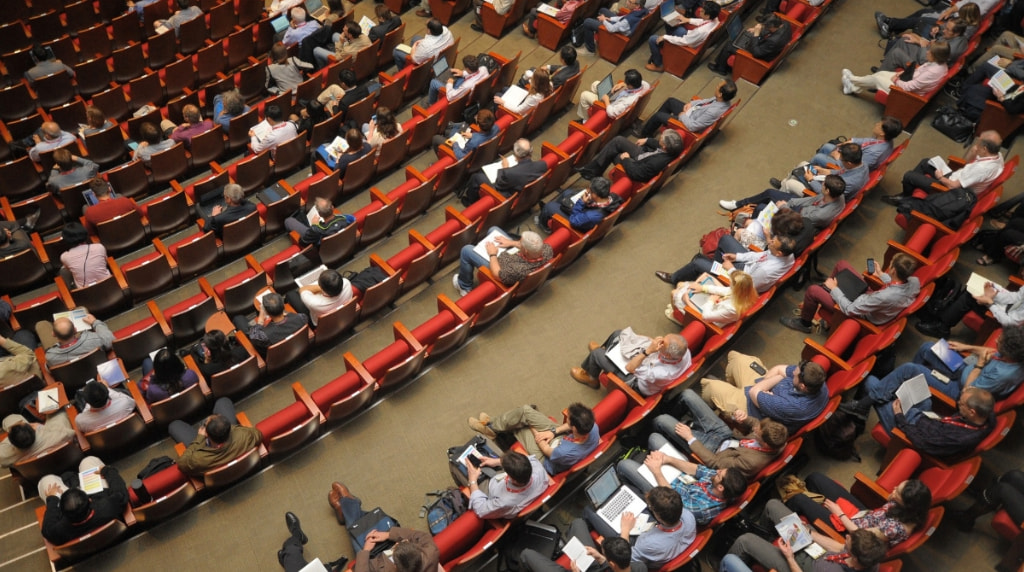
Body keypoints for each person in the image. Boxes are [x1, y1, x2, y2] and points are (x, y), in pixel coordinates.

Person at [652, 389, 789, 478]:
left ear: (764, 443)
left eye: (757, 433)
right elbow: (755, 424)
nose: (755, 429)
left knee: (662, 420)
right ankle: (671, 414)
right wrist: (744, 418)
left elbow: (715, 463)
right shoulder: (778, 435)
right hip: (725, 434)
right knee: (688, 394)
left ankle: (651, 431)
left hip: (710, 449)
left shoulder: (751, 462)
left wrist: (690, 438)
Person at [780, 253, 920, 333]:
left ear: (893, 270)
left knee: (812, 291)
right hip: (870, 299)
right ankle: (824, 293)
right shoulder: (914, 281)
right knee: (842, 265)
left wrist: (835, 289)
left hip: (859, 309)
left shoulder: (884, 296)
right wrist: (882, 275)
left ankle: (805, 323)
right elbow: (897, 286)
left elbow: (850, 309)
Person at [855, 380, 995, 458]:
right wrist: (968, 392)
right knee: (910, 378)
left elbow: (921, 442)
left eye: (962, 404)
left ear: (972, 412)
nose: (958, 403)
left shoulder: (959, 438)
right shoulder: (986, 416)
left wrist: (899, 416)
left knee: (871, 382)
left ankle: (856, 417)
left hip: (908, 428)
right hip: (928, 419)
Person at [787, 475, 932, 548]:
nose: (893, 489)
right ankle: (809, 505)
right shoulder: (910, 507)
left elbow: (859, 534)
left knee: (798, 499)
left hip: (849, 531)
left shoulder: (895, 528)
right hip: (864, 514)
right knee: (815, 477)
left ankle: (785, 515)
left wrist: (839, 513)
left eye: (897, 492)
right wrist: (894, 496)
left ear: (906, 504)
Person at [725, 507, 889, 572]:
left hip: (800, 565)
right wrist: (810, 534)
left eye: (849, 540)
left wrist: (789, 557)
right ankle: (767, 538)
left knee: (745, 540)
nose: (846, 536)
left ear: (854, 556)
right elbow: (840, 548)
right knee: (773, 505)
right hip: (817, 551)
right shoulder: (871, 555)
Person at [617, 444, 748, 525]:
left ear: (720, 488)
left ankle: (634, 489)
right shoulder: (719, 481)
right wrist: (667, 459)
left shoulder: (703, 509)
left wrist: (656, 470)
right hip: (678, 477)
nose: (717, 471)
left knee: (625, 465)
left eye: (719, 474)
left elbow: (671, 500)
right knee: (655, 438)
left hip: (665, 493)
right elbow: (697, 469)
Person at [700, 351, 829, 433]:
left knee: (710, 386)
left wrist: (775, 379)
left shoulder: (793, 406)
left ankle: (711, 404)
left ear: (802, 386)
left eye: (795, 375)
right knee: (738, 359)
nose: (793, 372)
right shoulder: (817, 379)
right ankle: (730, 387)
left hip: (752, 409)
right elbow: (779, 369)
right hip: (764, 389)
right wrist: (767, 384)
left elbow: (753, 392)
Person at [324, 482, 440, 572]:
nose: (398, 543)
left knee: (356, 528)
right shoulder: (431, 553)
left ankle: (347, 507)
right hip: (389, 542)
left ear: (395, 566)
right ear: (419, 551)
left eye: (396, 546)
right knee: (377, 521)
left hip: (374, 558)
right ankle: (347, 506)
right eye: (403, 542)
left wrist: (366, 550)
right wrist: (388, 535)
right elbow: (420, 535)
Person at [468, 402, 599, 475]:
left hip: (546, 458)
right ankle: (493, 426)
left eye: (569, 420)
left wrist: (531, 426)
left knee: (520, 425)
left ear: (574, 428)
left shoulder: (564, 452)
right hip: (560, 438)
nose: (567, 420)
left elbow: (543, 446)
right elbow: (566, 426)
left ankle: (491, 428)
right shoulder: (592, 426)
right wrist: (554, 431)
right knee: (525, 411)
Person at [583, 485, 695, 569]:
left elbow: (625, 559)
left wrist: (625, 529)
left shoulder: (648, 543)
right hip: (661, 544)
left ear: (659, 517)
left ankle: (587, 524)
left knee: (589, 510)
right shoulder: (689, 517)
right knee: (630, 490)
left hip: (638, 548)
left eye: (651, 507)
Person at [886, 131, 1004, 205]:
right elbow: (966, 163)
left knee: (909, 176)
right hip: (956, 177)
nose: (975, 146)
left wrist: (941, 177)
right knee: (926, 162)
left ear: (985, 149)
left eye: (978, 144)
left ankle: (905, 198)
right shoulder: (997, 155)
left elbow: (953, 186)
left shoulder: (983, 169)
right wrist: (973, 153)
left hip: (951, 190)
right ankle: (910, 195)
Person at [657, 233, 796, 294]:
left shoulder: (766, 272)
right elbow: (759, 255)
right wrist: (737, 256)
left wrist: (730, 270)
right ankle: (712, 268)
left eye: (773, 243)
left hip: (740, 282)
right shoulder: (786, 254)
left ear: (779, 254)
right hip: (747, 268)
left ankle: (674, 278)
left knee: (698, 262)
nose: (770, 241)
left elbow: (744, 287)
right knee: (725, 239)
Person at [571, 329, 690, 396]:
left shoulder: (660, 373)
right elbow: (652, 343)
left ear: (667, 355)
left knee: (596, 354)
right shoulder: (684, 351)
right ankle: (606, 353)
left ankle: (592, 378)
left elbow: (630, 367)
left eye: (662, 342)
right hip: (648, 364)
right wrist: (641, 339)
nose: (659, 340)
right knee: (618, 334)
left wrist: (647, 351)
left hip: (636, 382)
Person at [39, 457, 128, 545]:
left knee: (46, 480)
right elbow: (121, 493)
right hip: (99, 498)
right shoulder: (108, 506)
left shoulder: (57, 531)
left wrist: (52, 499)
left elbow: (47, 528)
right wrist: (107, 471)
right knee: (87, 461)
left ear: (61, 511)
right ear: (90, 500)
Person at [169, 397, 263, 476]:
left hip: (204, 452)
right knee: (223, 401)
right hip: (236, 448)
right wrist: (229, 428)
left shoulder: (198, 460)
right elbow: (258, 434)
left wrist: (199, 438)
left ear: (206, 434)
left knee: (174, 425)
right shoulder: (245, 436)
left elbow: (182, 464)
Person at [718, 174, 847, 231]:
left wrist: (783, 207)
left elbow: (797, 220)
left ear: (828, 191)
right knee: (770, 193)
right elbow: (812, 199)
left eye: (823, 185)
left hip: (797, 220)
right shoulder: (837, 195)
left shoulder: (820, 215)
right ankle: (738, 204)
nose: (821, 185)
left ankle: (748, 226)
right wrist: (789, 202)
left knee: (762, 207)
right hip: (800, 208)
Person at [916, 274, 1024, 338]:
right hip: (1008, 309)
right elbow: (1016, 297)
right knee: (973, 289)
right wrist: (994, 295)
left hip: (1011, 326)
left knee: (969, 297)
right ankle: (940, 317)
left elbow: (1010, 323)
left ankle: (942, 328)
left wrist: (990, 303)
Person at [454, 228, 553, 296]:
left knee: (466, 250)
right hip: (511, 255)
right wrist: (511, 243)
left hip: (498, 265)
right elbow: (528, 247)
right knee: (493, 230)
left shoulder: (517, 270)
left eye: (520, 242)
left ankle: (464, 286)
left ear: (526, 250)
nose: (518, 242)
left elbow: (497, 274)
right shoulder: (547, 249)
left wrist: (492, 254)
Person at [520, 519, 644, 572]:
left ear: (612, 564)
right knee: (578, 523)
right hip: (597, 567)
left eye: (603, 553)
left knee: (526, 554)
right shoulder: (640, 567)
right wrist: (601, 559)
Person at [842, 41, 949, 97]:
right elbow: (918, 71)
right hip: (907, 79)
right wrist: (903, 72)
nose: (927, 52)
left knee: (877, 79)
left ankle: (851, 80)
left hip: (905, 94)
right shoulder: (939, 64)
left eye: (930, 52)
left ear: (936, 56)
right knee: (882, 73)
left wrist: (897, 80)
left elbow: (910, 87)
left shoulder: (932, 72)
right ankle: (853, 88)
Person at [638, 79, 737, 138]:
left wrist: (682, 115)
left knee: (658, 116)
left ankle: (645, 135)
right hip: (692, 112)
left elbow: (693, 126)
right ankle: (661, 124)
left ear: (720, 94)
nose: (715, 87)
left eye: (717, 87)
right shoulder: (722, 100)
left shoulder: (713, 112)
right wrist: (691, 103)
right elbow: (704, 102)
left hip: (687, 122)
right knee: (670, 101)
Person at [575, 130, 685, 183]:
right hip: (644, 155)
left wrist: (626, 159)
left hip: (638, 164)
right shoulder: (674, 147)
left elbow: (637, 174)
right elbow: (659, 144)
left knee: (614, 154)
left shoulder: (656, 163)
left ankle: (593, 171)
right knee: (618, 140)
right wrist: (647, 140)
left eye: (661, 139)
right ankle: (593, 170)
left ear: (665, 147)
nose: (659, 139)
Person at [461, 138, 547, 205]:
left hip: (505, 196)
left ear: (516, 153)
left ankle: (470, 201)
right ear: (531, 152)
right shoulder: (542, 165)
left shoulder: (509, 173)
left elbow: (499, 184)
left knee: (477, 177)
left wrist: (505, 168)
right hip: (524, 194)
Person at [465, 451, 550, 519]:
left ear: (513, 479)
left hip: (491, 490)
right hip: (504, 481)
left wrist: (472, 481)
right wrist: (497, 461)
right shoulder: (538, 468)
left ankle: (463, 498)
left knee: (464, 468)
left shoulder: (504, 502)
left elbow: (480, 510)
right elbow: (527, 460)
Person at [771, 142, 868, 198]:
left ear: (849, 163)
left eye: (841, 160)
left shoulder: (848, 182)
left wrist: (811, 180)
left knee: (790, 183)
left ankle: (782, 190)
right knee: (804, 164)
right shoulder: (862, 165)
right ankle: (783, 185)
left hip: (823, 194)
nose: (840, 161)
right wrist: (827, 171)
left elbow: (825, 194)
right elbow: (843, 172)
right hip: (829, 181)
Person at [646, 2, 721, 72]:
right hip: (691, 36)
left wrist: (665, 37)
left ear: (707, 15)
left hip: (686, 46)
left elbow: (684, 42)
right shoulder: (715, 19)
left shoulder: (701, 31)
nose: (700, 10)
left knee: (653, 39)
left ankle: (658, 64)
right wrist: (687, 20)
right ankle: (665, 47)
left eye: (702, 11)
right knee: (671, 23)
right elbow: (703, 21)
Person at [668, 271, 759, 328]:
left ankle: (676, 315)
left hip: (709, 317)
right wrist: (703, 288)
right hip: (714, 306)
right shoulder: (744, 292)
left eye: (731, 284)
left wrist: (710, 301)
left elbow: (706, 317)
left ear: (737, 289)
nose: (729, 285)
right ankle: (677, 308)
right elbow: (723, 290)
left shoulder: (732, 309)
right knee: (680, 284)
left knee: (674, 293)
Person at [809, 117, 902, 171]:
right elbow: (867, 141)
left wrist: (839, 158)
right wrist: (851, 141)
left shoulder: (874, 152)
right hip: (854, 157)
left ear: (882, 133)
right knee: (827, 147)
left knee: (819, 157)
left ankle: (807, 171)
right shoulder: (885, 139)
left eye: (879, 125)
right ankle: (818, 167)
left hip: (848, 166)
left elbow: (858, 168)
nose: (876, 124)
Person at [708, 15, 791, 75]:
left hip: (761, 54)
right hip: (765, 46)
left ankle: (720, 68)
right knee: (744, 36)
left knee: (730, 45)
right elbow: (770, 32)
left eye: (765, 26)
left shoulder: (774, 41)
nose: (764, 27)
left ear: (772, 26)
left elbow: (757, 53)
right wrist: (757, 30)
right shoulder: (785, 24)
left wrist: (756, 34)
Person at [233, 292, 308, 356]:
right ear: (283, 306)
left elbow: (253, 336)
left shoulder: (263, 337)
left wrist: (261, 319)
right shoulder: (301, 318)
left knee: (238, 319)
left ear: (267, 312)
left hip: (277, 357)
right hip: (297, 347)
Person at [538, 177, 623, 233]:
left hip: (578, 221)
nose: (588, 190)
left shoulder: (592, 216)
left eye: (590, 190)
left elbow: (574, 221)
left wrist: (581, 202)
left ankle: (544, 224)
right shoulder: (612, 197)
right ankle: (551, 214)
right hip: (586, 210)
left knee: (549, 206)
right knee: (567, 193)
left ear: (595, 195)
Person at [880, 19, 968, 72]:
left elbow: (924, 61)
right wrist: (938, 27)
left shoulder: (950, 49)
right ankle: (885, 66)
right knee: (905, 39)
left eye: (947, 30)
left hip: (923, 66)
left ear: (956, 34)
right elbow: (943, 28)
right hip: (929, 51)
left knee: (898, 51)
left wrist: (922, 44)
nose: (944, 31)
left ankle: (880, 75)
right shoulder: (960, 36)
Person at [0, 410, 74, 468]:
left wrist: (14, 434)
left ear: (11, 442)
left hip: (34, 474)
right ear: (32, 428)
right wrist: (41, 428)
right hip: (65, 461)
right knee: (59, 413)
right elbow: (72, 433)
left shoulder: (4, 456)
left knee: (9, 419)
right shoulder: (61, 435)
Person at [37, 313, 114, 366]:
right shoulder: (94, 339)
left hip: (74, 382)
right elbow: (110, 339)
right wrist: (95, 322)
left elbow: (49, 369)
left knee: (41, 324)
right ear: (75, 330)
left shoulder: (51, 357)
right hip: (99, 372)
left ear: (53, 334)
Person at [285, 269, 354, 327]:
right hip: (343, 315)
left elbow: (302, 289)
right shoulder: (347, 283)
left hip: (319, 324)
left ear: (321, 286)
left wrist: (319, 288)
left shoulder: (314, 303)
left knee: (290, 294)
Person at [578, 1, 649, 56]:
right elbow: (622, 18)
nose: (627, 2)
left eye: (630, 2)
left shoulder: (629, 20)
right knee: (603, 10)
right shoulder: (641, 11)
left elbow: (612, 29)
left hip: (616, 35)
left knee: (588, 22)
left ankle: (590, 50)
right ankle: (596, 33)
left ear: (637, 6)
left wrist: (604, 20)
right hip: (620, 26)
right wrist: (609, 19)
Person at [578, 69, 650, 120]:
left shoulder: (627, 102)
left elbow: (612, 113)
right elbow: (644, 82)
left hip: (610, 106)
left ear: (631, 86)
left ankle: (586, 119)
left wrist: (606, 101)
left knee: (584, 95)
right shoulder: (645, 86)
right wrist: (623, 84)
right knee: (595, 84)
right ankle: (596, 102)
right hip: (616, 97)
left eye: (626, 81)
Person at [434, 108, 500, 161]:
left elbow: (462, 156)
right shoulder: (496, 128)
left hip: (462, 152)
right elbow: (484, 136)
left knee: (436, 138)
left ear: (478, 126)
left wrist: (455, 144)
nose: (475, 117)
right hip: (482, 152)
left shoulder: (473, 143)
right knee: (455, 131)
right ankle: (449, 129)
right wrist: (473, 135)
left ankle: (441, 158)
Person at [58, 222, 110, 288]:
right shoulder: (99, 247)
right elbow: (105, 262)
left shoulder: (64, 257)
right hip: (109, 285)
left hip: (85, 294)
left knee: (63, 270)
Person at [284, 197, 355, 246]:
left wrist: (314, 225)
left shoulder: (316, 230)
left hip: (319, 246)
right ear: (333, 207)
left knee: (288, 221)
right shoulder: (345, 219)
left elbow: (303, 242)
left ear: (319, 214)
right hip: (340, 246)